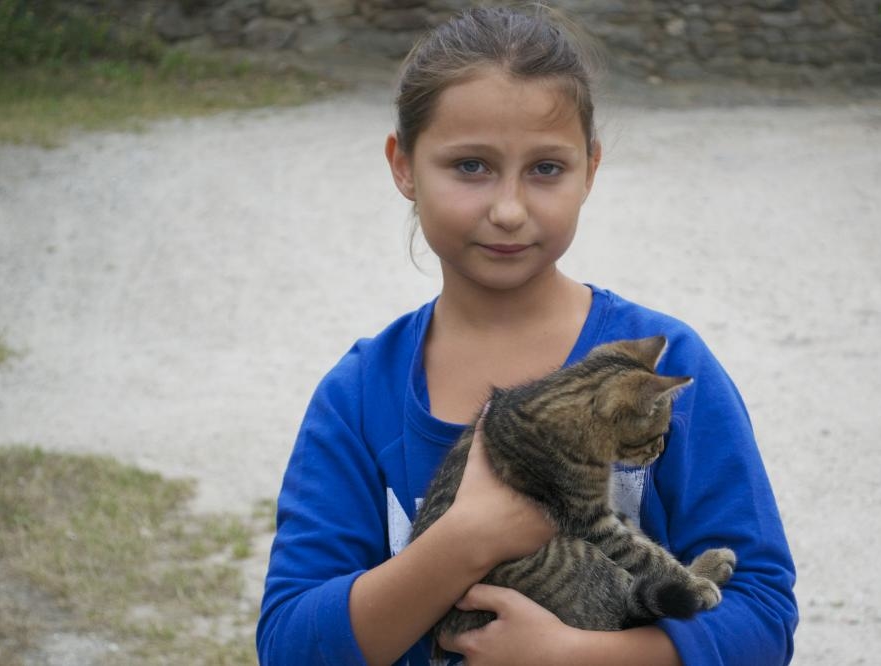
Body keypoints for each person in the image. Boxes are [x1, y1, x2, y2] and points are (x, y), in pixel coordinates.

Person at [256, 6, 797, 665]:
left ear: (590, 169)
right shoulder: (357, 398)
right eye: (470, 166)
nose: (509, 210)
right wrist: (465, 539)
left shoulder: (666, 368)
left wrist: (571, 655)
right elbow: (290, 646)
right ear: (404, 166)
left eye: (546, 169)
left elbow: (763, 617)